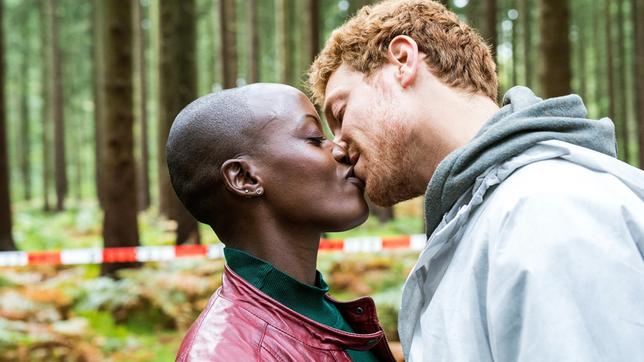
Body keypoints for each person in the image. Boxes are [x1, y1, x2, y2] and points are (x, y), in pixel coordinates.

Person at [308, 0, 644, 361]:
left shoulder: (546, 210)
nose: (338, 146)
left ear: (402, 61)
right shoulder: (490, 217)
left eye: (340, 112)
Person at [166, 83, 396, 361]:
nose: (341, 150)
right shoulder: (225, 354)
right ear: (245, 179)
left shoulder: (328, 316)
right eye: (315, 138)